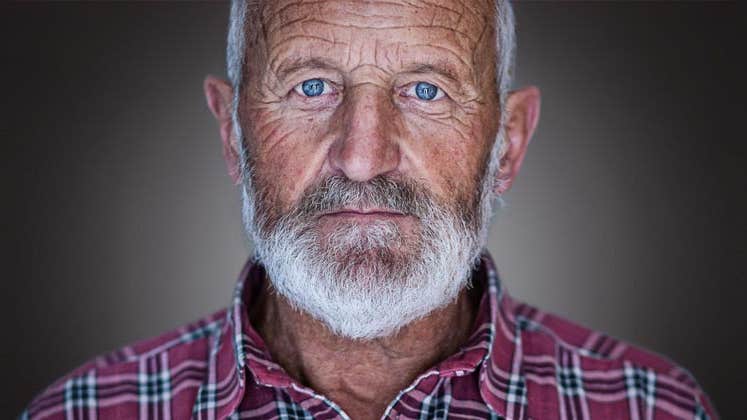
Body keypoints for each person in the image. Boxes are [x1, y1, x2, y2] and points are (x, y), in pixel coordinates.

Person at [24, 0, 718, 419]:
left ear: (506, 144)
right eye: (311, 85)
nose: (362, 157)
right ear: (232, 133)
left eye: (424, 91)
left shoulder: (650, 407)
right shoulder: (84, 410)